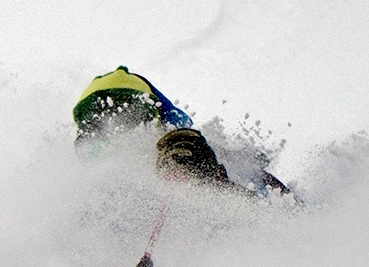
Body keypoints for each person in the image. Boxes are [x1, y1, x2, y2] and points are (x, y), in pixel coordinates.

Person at [73, 66, 292, 201]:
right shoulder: (146, 92)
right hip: (135, 98)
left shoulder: (194, 155)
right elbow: (181, 122)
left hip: (86, 106)